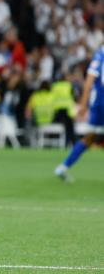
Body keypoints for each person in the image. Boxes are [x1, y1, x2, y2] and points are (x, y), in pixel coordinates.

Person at [55, 46, 104, 182]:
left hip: (98, 103)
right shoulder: (101, 54)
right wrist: (83, 105)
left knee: (90, 137)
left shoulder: (100, 53)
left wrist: (84, 105)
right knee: (91, 137)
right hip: (101, 101)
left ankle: (63, 167)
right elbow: (89, 81)